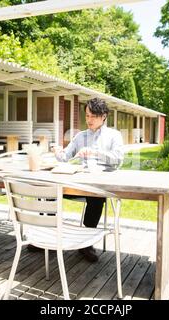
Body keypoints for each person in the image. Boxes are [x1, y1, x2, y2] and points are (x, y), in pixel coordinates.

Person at [52, 97, 124, 262]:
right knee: (49, 191)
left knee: (96, 197)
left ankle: (85, 243)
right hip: (77, 181)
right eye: (87, 116)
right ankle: (46, 236)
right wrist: (57, 151)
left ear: (103, 116)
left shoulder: (114, 135)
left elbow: (118, 159)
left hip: (98, 184)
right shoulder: (79, 137)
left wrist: (95, 152)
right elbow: (65, 157)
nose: (89, 120)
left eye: (93, 116)